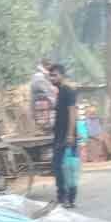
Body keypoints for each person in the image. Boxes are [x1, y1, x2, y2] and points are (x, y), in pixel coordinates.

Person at [48, 64, 79, 208]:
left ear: (61, 75)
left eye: (54, 75)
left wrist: (70, 135)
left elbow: (72, 112)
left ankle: (67, 198)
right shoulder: (60, 91)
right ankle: (64, 198)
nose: (52, 78)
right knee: (61, 166)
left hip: (66, 136)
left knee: (65, 167)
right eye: (50, 75)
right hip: (60, 135)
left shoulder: (67, 90)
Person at [31, 58, 57, 132]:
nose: (51, 67)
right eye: (49, 64)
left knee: (45, 118)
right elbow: (42, 89)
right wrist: (52, 100)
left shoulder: (46, 75)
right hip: (42, 101)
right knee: (43, 117)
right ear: (45, 65)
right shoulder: (39, 76)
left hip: (42, 101)